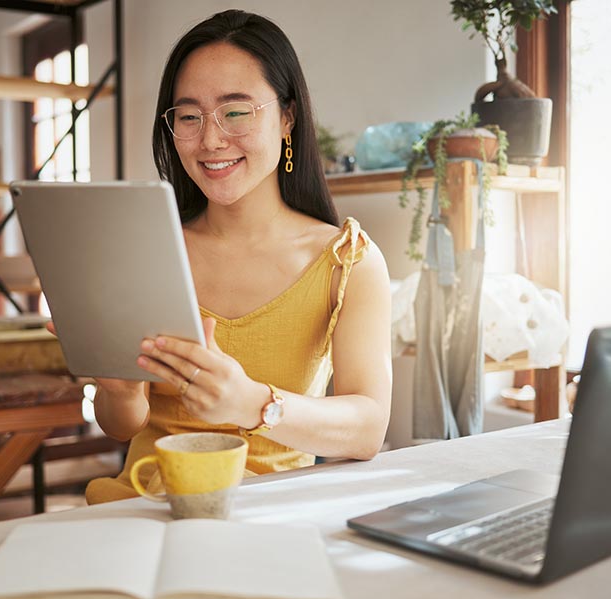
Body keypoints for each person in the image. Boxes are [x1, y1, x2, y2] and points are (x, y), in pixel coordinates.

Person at [84, 9, 392, 504]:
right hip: (140, 506)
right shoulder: (146, 250)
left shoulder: (347, 261)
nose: (210, 140)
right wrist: (119, 392)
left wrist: (253, 403)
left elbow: (368, 428)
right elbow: (122, 427)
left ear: (288, 117)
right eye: (189, 116)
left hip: (271, 515)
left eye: (236, 111)